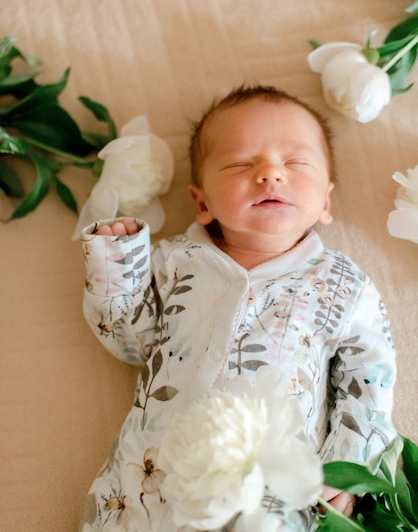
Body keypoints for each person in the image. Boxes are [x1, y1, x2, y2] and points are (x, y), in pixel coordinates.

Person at [79, 85, 397, 531]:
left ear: (325, 201)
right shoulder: (173, 263)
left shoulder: (342, 283)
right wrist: (118, 264)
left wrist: (347, 469)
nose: (270, 173)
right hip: (149, 486)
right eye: (241, 163)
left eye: (295, 162)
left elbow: (369, 381)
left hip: (276, 490)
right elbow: (130, 342)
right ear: (202, 202)